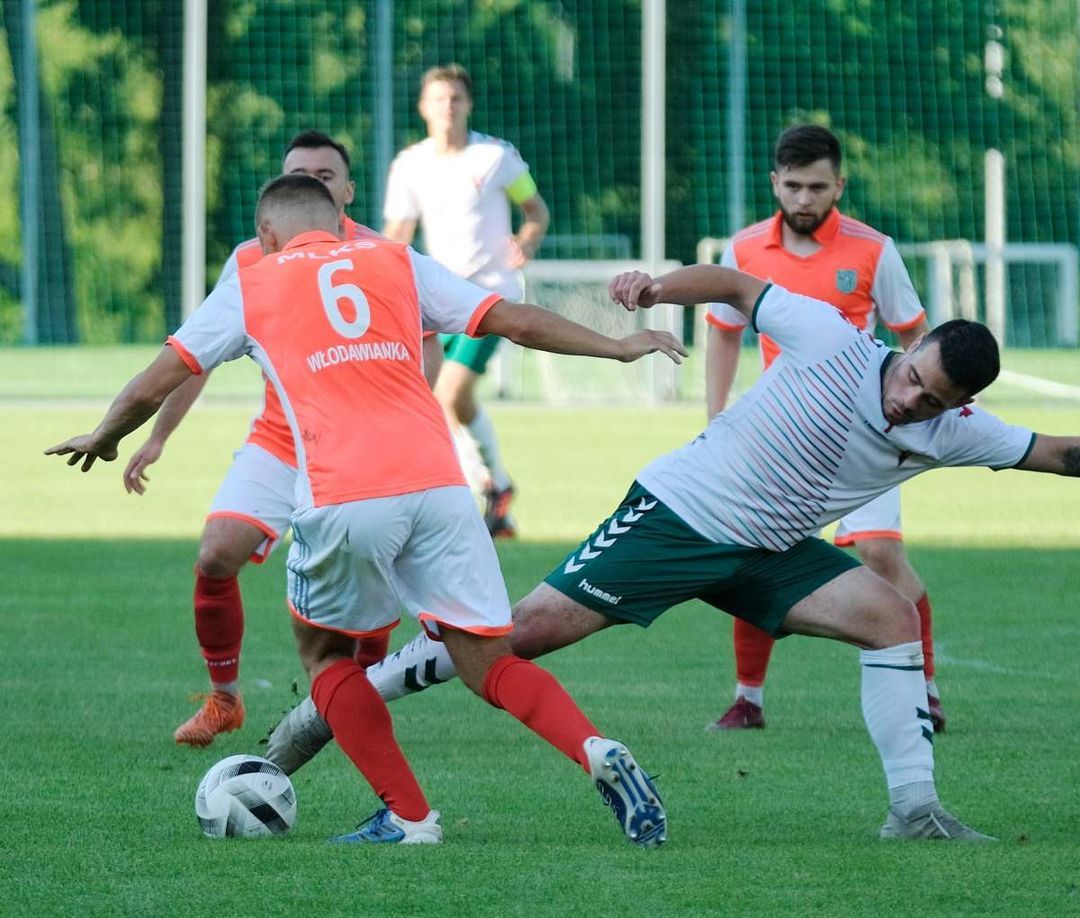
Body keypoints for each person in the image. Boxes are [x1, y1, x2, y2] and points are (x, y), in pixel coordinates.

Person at [263, 263, 1080, 841]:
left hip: (769, 551)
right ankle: (339, 702)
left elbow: (1057, 451)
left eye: (932, 401)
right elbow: (733, 286)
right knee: (515, 638)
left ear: (958, 405)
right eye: (913, 379)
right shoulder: (833, 339)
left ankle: (915, 810)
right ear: (909, 347)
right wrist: (657, 288)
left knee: (893, 616)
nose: (910, 403)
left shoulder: (953, 430)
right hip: (680, 514)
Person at [47, 175, 685, 846]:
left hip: (345, 493)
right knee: (490, 662)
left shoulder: (253, 281)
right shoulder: (396, 260)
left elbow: (157, 380)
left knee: (327, 658)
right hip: (441, 488)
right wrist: (618, 345)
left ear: (266, 234)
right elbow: (515, 320)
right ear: (337, 220)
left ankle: (410, 818)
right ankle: (592, 748)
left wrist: (106, 436)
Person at [121, 130, 445, 748]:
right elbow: (196, 357)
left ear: (347, 192)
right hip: (282, 439)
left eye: (325, 175)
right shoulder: (251, 259)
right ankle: (224, 700)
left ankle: (358, 704)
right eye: (299, 174)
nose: (311, 183)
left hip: (363, 449)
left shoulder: (385, 257)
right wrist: (159, 436)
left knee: (366, 585)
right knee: (216, 554)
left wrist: (398, 420)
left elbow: (428, 348)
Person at [705, 124, 944, 733]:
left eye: (817, 187)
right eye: (793, 186)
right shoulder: (744, 250)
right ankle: (748, 699)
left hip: (868, 436)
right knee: (754, 557)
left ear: (840, 185)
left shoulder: (873, 250)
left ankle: (926, 690)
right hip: (779, 439)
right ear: (774, 184)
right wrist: (715, 417)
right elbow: (724, 333)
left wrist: (920, 411)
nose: (804, 198)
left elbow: (915, 337)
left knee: (881, 555)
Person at [382, 64, 549, 538]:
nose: (447, 107)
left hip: (492, 294)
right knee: (444, 400)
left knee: (450, 393)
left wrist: (527, 241)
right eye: (438, 99)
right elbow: (398, 233)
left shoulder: (494, 157)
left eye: (455, 98)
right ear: (423, 107)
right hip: (438, 299)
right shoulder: (410, 164)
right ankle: (496, 487)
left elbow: (536, 211)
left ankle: (487, 487)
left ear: (468, 104)